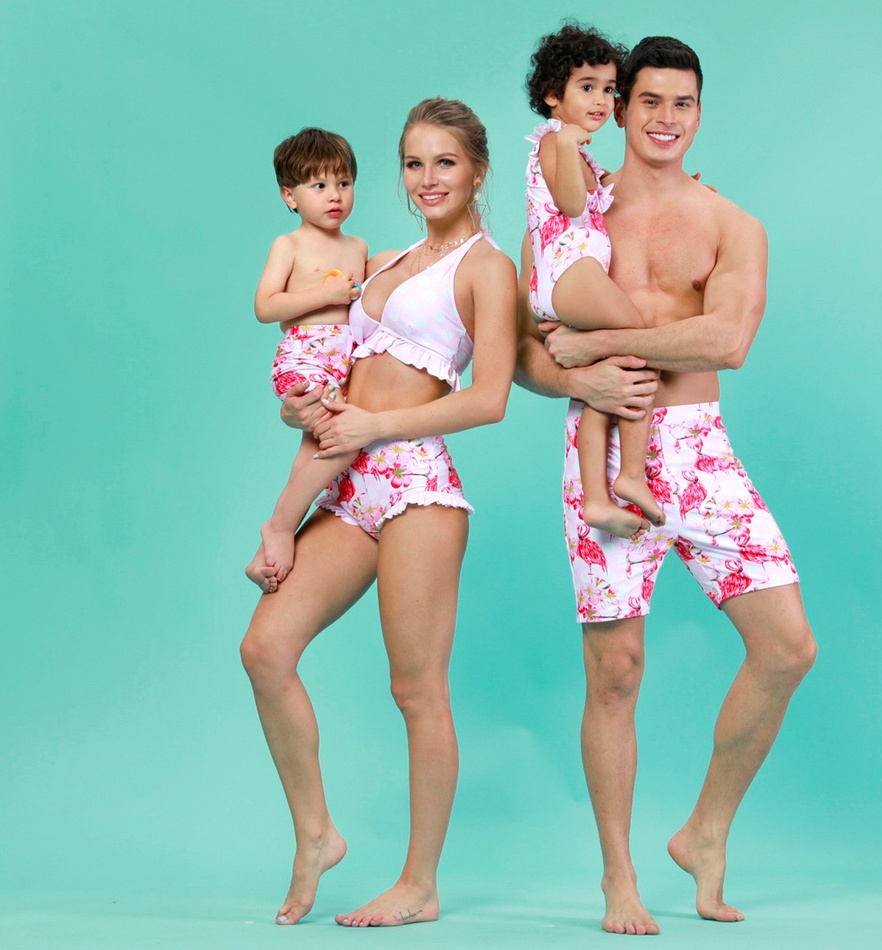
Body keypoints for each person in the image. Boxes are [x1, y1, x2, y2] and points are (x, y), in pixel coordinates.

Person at [516, 35, 817, 935]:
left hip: (700, 451)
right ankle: (620, 878)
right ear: (619, 107)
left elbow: (728, 341)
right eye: (648, 100)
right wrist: (574, 372)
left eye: (682, 103)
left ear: (699, 113)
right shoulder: (573, 207)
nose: (665, 118)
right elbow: (525, 354)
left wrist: (594, 342)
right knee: (615, 672)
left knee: (787, 647)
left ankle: (704, 832)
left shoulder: (733, 224)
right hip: (601, 449)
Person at [240, 98, 517, 927]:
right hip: (348, 477)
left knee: (416, 690)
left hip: (415, 485)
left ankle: (419, 885)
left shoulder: (486, 267)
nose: (427, 179)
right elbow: (332, 359)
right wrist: (301, 409)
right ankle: (316, 834)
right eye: (413, 163)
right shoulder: (382, 258)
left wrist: (377, 426)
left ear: (478, 172)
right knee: (264, 650)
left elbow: (491, 398)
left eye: (445, 162)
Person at [525, 24, 664, 537]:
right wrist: (567, 143)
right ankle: (630, 474)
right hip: (571, 271)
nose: (602, 100)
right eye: (587, 87)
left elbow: (609, 190)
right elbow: (571, 204)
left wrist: (678, 188)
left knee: (605, 378)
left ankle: (599, 499)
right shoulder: (555, 142)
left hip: (571, 273)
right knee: (643, 341)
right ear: (552, 94)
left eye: (609, 89)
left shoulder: (580, 152)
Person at [245, 127, 366, 592]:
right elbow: (265, 307)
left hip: (343, 361)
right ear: (289, 196)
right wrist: (325, 294)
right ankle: (279, 526)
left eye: (343, 182)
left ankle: (267, 553)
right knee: (344, 441)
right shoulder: (289, 245)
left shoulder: (358, 248)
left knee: (314, 452)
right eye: (319, 185)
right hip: (306, 355)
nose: (334, 195)